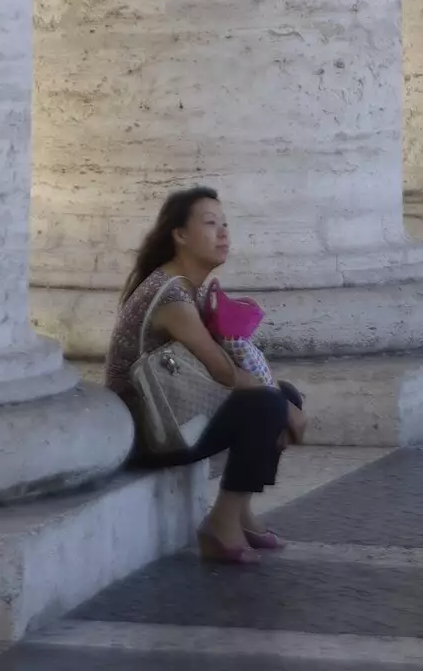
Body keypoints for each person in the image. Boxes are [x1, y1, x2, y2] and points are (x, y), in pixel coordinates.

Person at [105, 186, 306, 565]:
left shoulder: (193, 290)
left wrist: (282, 397)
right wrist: (279, 402)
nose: (224, 234)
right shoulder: (171, 298)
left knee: (283, 396)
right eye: (211, 224)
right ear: (179, 235)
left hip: (176, 415)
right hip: (149, 432)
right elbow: (224, 372)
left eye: (225, 224)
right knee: (268, 405)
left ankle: (240, 511)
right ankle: (221, 524)